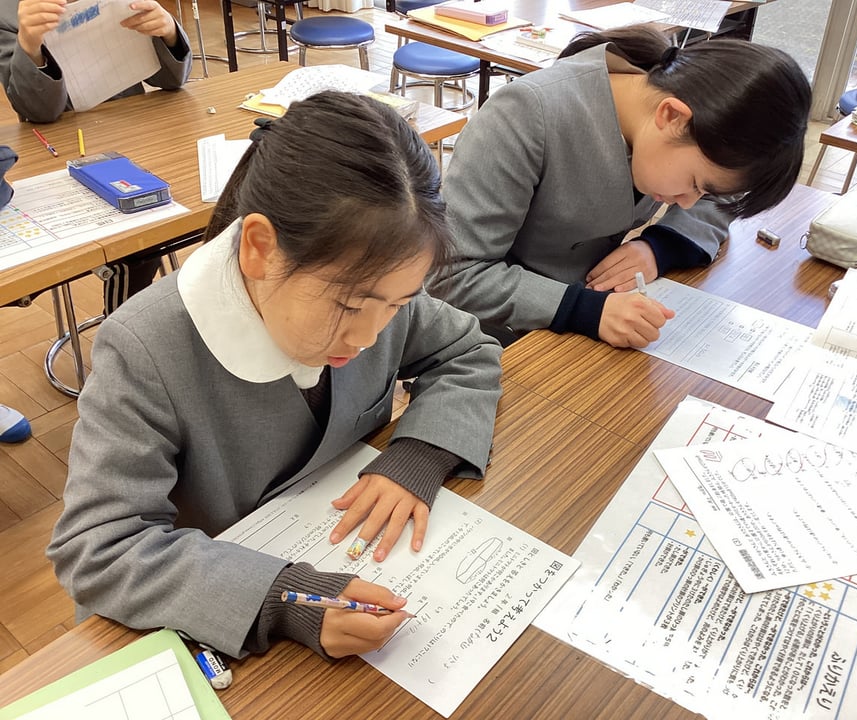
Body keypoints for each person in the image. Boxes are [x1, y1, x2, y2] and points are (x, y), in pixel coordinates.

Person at [47, 92, 503, 661]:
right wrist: (282, 598)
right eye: (349, 306)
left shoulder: (378, 286)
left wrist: (417, 457)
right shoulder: (145, 347)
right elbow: (100, 548)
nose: (369, 335)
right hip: (207, 618)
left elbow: (466, 350)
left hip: (334, 551)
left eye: (398, 304)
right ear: (260, 248)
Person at [430, 25, 811, 349]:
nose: (688, 202)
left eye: (702, 191)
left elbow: (724, 192)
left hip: (593, 315)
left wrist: (660, 246)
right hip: (499, 337)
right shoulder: (526, 114)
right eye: (694, 184)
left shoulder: (675, 113)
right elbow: (453, 274)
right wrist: (581, 309)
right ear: (672, 116)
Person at [0, 0, 194, 312]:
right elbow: (40, 111)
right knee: (135, 242)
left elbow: (171, 81)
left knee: (176, 211)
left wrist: (168, 31)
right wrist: (30, 47)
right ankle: (122, 328)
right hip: (60, 156)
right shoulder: (9, 13)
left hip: (138, 142)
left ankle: (153, 321)